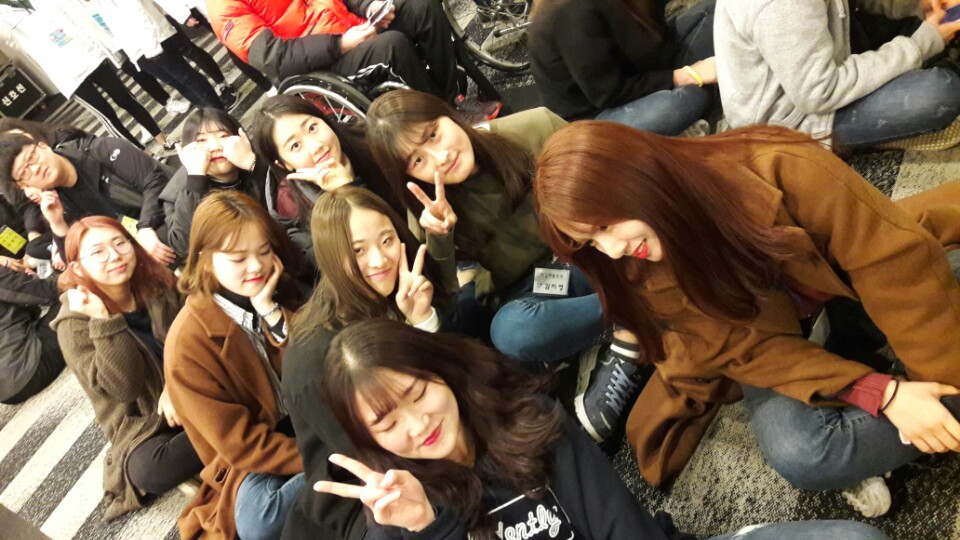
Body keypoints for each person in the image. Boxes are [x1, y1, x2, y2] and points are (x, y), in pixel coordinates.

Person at [533, 120, 960, 517]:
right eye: (591, 241)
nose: (612, 250)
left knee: (937, 330)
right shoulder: (634, 264)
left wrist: (934, 382)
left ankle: (918, 421)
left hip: (848, 288)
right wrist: (884, 395)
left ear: (637, 179)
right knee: (803, 454)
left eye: (605, 226)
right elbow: (747, 350)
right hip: (777, 343)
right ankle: (917, 418)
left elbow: (892, 267)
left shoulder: (779, 165)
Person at [312, 318, 889, 540]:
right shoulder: (400, 518)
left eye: (419, 393)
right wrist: (429, 528)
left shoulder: (527, 421)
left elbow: (622, 529)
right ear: (368, 440)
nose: (418, 425)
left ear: (444, 372)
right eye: (387, 422)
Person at [366, 90, 641, 443]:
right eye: (418, 160)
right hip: (545, 284)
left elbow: (609, 178)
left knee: (670, 109)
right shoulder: (428, 211)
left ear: (449, 114)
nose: (440, 157)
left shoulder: (531, 128)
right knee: (510, 332)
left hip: (595, 248)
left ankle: (628, 328)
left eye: (433, 134)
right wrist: (441, 239)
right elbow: (447, 304)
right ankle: (628, 310)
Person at [280, 185, 492, 540]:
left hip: (414, 439)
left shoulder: (384, 292)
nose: (380, 260)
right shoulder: (316, 358)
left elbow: (440, 367)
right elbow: (376, 455)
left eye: (387, 240)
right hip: (363, 503)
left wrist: (420, 320)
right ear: (330, 256)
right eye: (358, 250)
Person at [164, 191, 305, 539]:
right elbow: (241, 446)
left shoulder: (278, 287)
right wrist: (317, 456)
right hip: (255, 457)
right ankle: (345, 463)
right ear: (205, 260)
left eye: (264, 251)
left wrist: (271, 311)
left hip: (308, 418)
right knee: (260, 519)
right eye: (238, 258)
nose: (256, 266)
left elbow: (317, 368)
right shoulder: (187, 344)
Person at [48, 216, 203, 520]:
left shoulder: (152, 280)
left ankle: (216, 436)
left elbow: (197, 327)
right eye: (98, 252)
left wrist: (175, 384)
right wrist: (104, 321)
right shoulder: (74, 325)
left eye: (120, 243)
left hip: (194, 385)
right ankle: (227, 429)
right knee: (149, 469)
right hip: (148, 422)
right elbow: (124, 388)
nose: (115, 256)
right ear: (77, 267)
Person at [714, 0, 960, 150]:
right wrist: (922, 43)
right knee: (939, 92)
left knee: (915, 27)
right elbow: (819, 92)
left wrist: (917, 4)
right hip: (786, 125)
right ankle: (864, 142)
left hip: (818, 65)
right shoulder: (781, 5)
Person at [206, 0, 459, 101]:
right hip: (321, 66)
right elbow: (273, 58)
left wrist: (368, 5)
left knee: (421, 7)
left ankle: (451, 96)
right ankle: (443, 119)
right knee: (393, 46)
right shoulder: (224, 9)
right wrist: (339, 44)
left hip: (353, 27)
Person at [528, 0, 717, 134]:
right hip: (597, 118)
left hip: (643, 72)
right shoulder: (570, 13)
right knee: (690, 98)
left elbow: (655, 38)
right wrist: (685, 76)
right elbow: (609, 93)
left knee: (715, 10)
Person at [250, 95, 401, 260]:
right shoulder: (293, 209)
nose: (316, 146)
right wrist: (347, 191)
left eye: (312, 128)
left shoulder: (367, 138)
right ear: (284, 164)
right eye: (295, 145)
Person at [0, 131, 174, 266]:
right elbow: (78, 261)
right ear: (24, 184)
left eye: (32, 157)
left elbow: (155, 181)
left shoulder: (99, 150)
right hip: (131, 244)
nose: (35, 168)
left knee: (162, 240)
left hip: (172, 210)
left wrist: (145, 228)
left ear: (44, 147)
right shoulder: (55, 200)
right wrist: (57, 224)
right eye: (25, 172)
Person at [160, 108, 265, 261]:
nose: (216, 147)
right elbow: (184, 246)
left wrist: (253, 164)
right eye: (202, 141)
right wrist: (196, 178)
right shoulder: (180, 194)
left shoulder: (259, 155)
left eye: (223, 136)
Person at [0, 262, 64, 405]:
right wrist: (33, 281)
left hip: (5, 391)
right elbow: (52, 291)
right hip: (26, 370)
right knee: (79, 293)